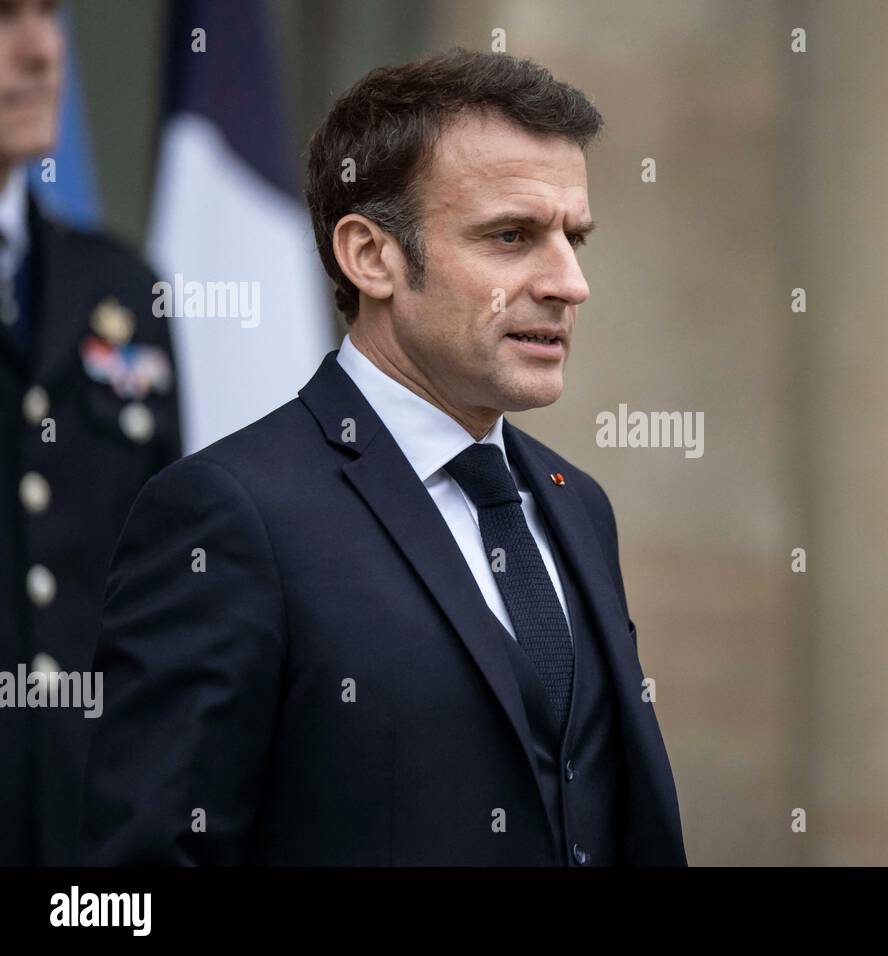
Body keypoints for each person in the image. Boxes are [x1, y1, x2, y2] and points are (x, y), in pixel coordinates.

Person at [78, 47, 687, 865]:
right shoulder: (228, 516)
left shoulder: (576, 503)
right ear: (370, 256)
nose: (569, 282)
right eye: (512, 236)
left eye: (574, 238)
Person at [0, 0, 181, 865]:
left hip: (90, 835)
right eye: (2, 17)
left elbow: (168, 578)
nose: (41, 51)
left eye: (49, 13)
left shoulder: (119, 285)